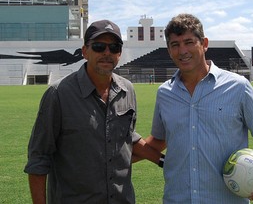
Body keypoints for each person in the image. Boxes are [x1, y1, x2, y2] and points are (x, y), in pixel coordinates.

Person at [144, 13, 253, 203]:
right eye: (175, 45)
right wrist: (111, 157)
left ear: (204, 43)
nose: (182, 51)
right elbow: (158, 141)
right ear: (169, 50)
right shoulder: (165, 93)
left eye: (189, 42)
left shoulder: (239, 87)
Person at [24, 20, 162, 204]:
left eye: (114, 47)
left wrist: (162, 161)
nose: (107, 53)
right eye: (98, 46)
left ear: (120, 53)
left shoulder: (127, 90)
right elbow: (38, 159)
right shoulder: (58, 94)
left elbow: (126, 137)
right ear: (85, 51)